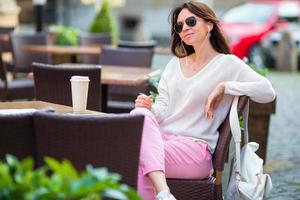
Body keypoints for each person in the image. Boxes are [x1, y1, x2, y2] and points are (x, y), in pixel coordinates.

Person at [130, 1, 276, 200]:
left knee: (133, 153)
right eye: (179, 26)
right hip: (162, 142)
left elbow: (267, 91)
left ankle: (163, 193)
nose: (185, 28)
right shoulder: (174, 64)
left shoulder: (228, 64)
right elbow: (163, 109)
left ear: (209, 25)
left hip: (195, 150)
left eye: (191, 21)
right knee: (140, 115)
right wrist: (151, 108)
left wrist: (225, 86)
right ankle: (163, 193)